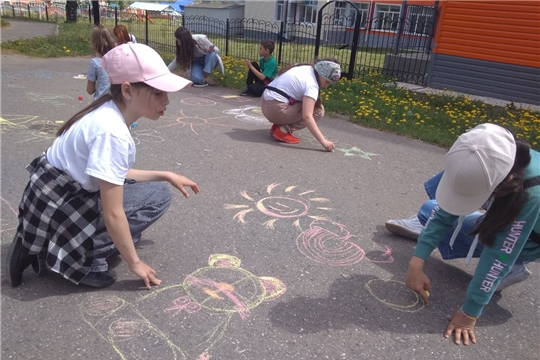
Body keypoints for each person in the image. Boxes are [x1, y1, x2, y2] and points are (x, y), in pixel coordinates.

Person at [5, 43, 197, 289]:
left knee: (158, 190)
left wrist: (165, 174)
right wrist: (134, 262)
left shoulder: (105, 110)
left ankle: (40, 240)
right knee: (156, 199)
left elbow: (111, 173)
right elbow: (113, 213)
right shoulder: (112, 132)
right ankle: (81, 260)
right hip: (62, 206)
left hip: (50, 201)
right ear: (127, 90)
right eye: (158, 93)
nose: (167, 100)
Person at [386, 123, 540, 346]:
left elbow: (499, 254)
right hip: (507, 211)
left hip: (528, 241)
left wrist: (470, 313)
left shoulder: (531, 194)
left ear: (503, 182)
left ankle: (516, 264)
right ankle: (431, 234)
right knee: (430, 210)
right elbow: (444, 212)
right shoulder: (479, 152)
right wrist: (416, 263)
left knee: (501, 254)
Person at [260, 59, 341, 151]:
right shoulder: (312, 85)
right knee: (318, 111)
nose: (326, 86)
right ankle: (283, 130)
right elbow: (307, 116)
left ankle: (277, 125)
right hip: (275, 109)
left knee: (302, 102)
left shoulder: (305, 68)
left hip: (265, 102)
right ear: (321, 74)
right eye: (327, 82)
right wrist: (323, 141)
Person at [86, 25, 116, 101]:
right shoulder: (117, 59)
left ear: (94, 45)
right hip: (116, 101)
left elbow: (90, 90)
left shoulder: (95, 62)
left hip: (100, 103)